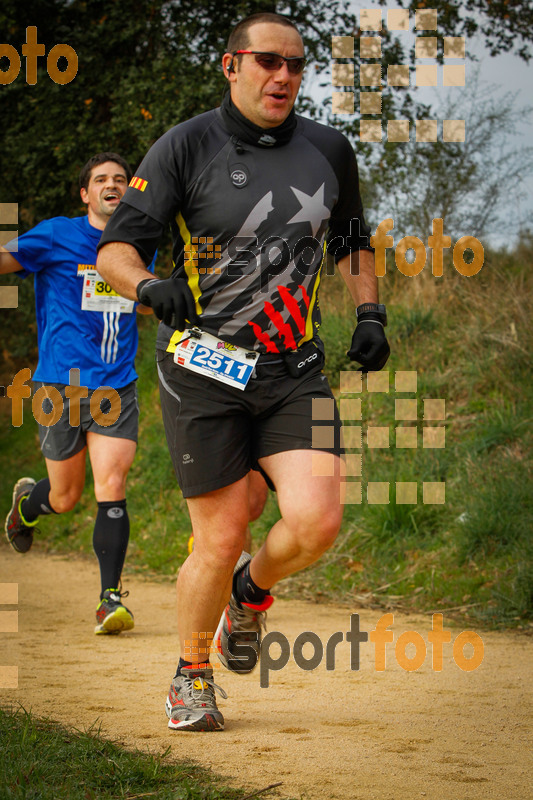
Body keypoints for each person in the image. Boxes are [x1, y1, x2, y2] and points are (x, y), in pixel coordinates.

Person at [96, 12, 390, 729]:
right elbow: (114, 250)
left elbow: (352, 240)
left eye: (295, 65)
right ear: (232, 66)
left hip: (294, 367)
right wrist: (146, 285)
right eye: (267, 61)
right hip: (205, 366)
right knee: (223, 531)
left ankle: (248, 596)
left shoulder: (328, 148)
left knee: (316, 522)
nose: (283, 76)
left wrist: (370, 313)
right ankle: (190, 675)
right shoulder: (183, 145)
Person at [2, 152, 153, 635]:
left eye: (121, 179)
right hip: (59, 386)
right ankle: (26, 507)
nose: (113, 184)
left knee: (111, 485)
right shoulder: (55, 235)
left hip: (116, 385)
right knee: (64, 497)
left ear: (130, 191)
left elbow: (144, 302)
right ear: (85, 194)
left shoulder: (138, 244)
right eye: (101, 180)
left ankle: (110, 600)